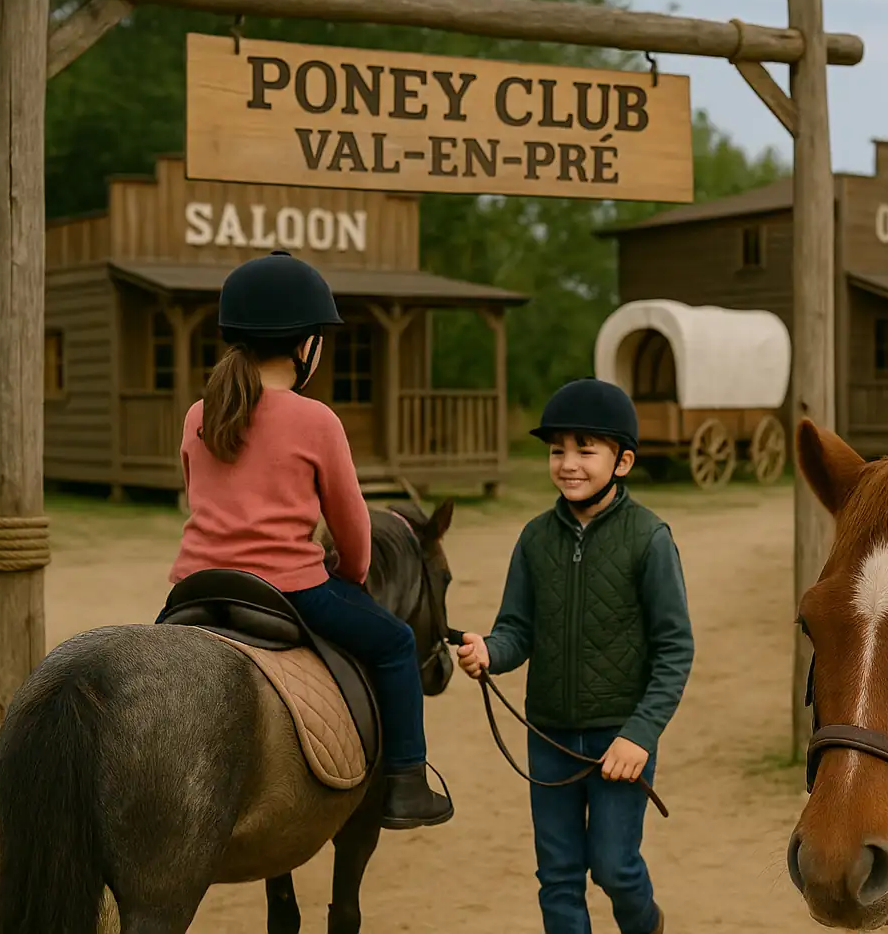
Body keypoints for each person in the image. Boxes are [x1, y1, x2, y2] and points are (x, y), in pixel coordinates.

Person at [164, 249, 453, 830]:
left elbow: (198, 493)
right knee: (395, 642)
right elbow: (352, 529)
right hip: (291, 590)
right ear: (306, 345)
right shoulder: (318, 420)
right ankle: (406, 784)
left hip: (194, 587)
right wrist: (350, 572)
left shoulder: (200, 412)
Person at [456, 377, 694, 934]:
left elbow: (674, 648)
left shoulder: (649, 538)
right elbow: (516, 629)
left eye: (585, 449)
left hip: (619, 742)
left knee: (615, 868)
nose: (568, 463)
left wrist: (641, 734)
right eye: (557, 450)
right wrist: (490, 651)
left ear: (623, 461)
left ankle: (647, 924)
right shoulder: (534, 539)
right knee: (558, 877)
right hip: (549, 739)